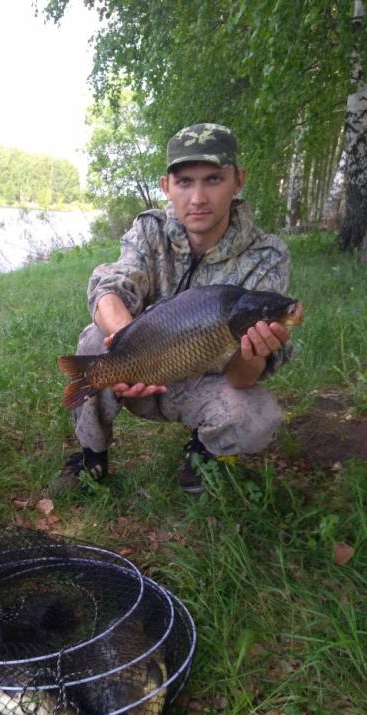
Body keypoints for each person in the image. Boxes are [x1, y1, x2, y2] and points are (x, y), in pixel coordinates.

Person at [55, 122, 297, 494]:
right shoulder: (150, 230)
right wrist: (127, 345)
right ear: (167, 186)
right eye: (185, 182)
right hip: (138, 370)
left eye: (213, 179)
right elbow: (109, 289)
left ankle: (203, 452)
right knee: (94, 340)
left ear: (238, 181)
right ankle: (93, 453)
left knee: (259, 416)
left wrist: (256, 350)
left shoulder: (266, 256)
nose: (198, 197)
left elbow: (241, 378)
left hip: (203, 385)